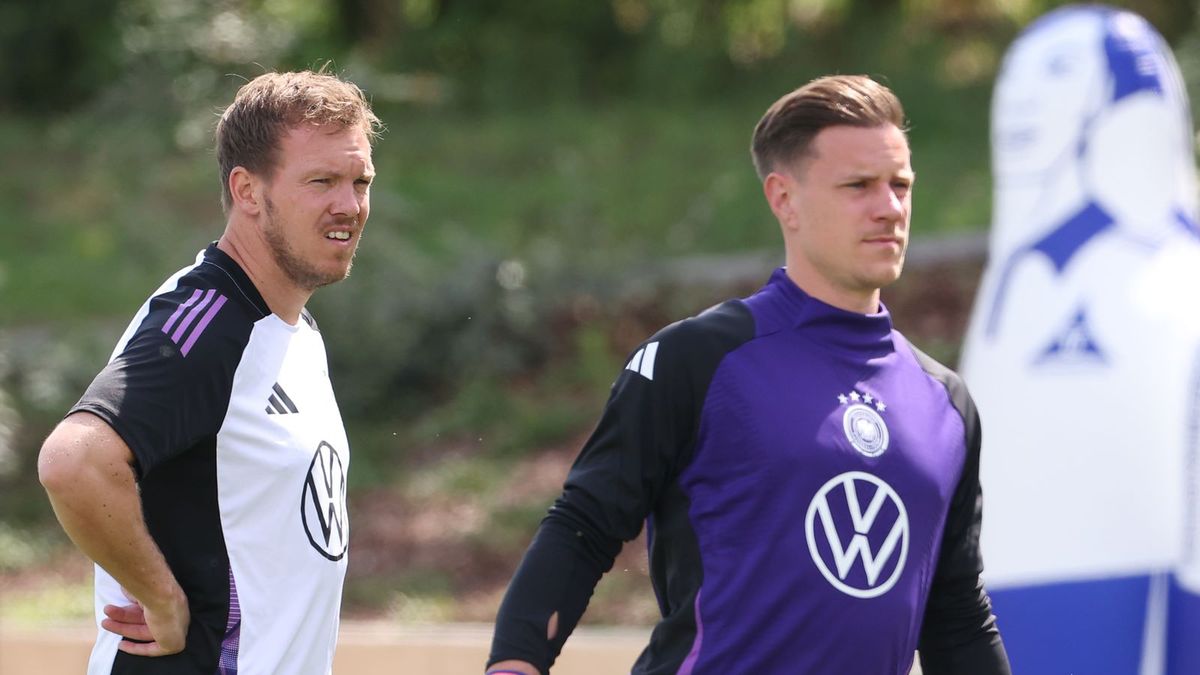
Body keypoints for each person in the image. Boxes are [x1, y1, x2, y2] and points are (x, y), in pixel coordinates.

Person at [485, 75, 1010, 675]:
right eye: (858, 186)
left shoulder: (945, 404)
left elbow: (956, 613)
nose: (889, 207)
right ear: (783, 198)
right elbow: (584, 528)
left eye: (900, 185)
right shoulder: (700, 359)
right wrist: (515, 665)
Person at [37, 68, 380, 674]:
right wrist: (160, 597)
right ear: (248, 191)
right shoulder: (208, 322)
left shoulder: (294, 332)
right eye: (322, 180)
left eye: (360, 180)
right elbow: (74, 462)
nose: (348, 205)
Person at [959, 5, 1200, 674]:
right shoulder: (1015, 286)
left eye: (1060, 74)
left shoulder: (1172, 273)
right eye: (1022, 78)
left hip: (1146, 581)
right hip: (1010, 582)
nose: (1029, 97)